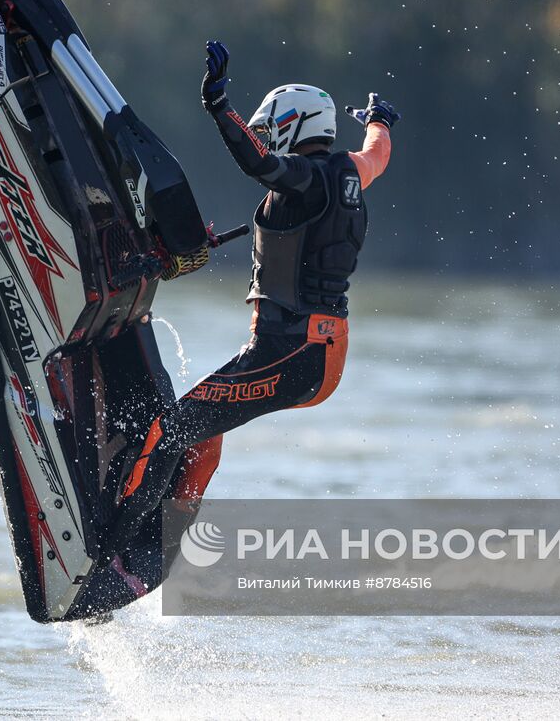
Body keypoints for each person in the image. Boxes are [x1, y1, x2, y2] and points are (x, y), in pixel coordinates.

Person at [106, 40, 397, 579]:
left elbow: (259, 162)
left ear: (295, 126)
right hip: (318, 355)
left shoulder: (308, 178)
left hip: (292, 350)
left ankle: (109, 549)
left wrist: (219, 106)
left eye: (272, 129)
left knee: (167, 430)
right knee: (203, 431)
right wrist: (379, 119)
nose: (267, 138)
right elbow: (378, 151)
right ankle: (159, 552)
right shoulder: (353, 170)